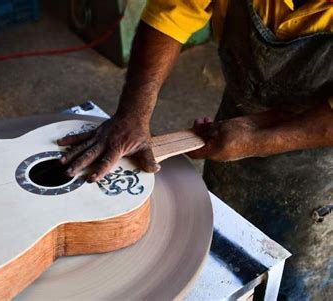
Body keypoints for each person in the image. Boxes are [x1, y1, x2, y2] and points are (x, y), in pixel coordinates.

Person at [57, 0, 332, 299]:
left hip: (318, 164)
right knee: (216, 253)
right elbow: (172, 11)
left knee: (288, 280)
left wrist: (256, 139)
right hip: (240, 114)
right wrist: (132, 114)